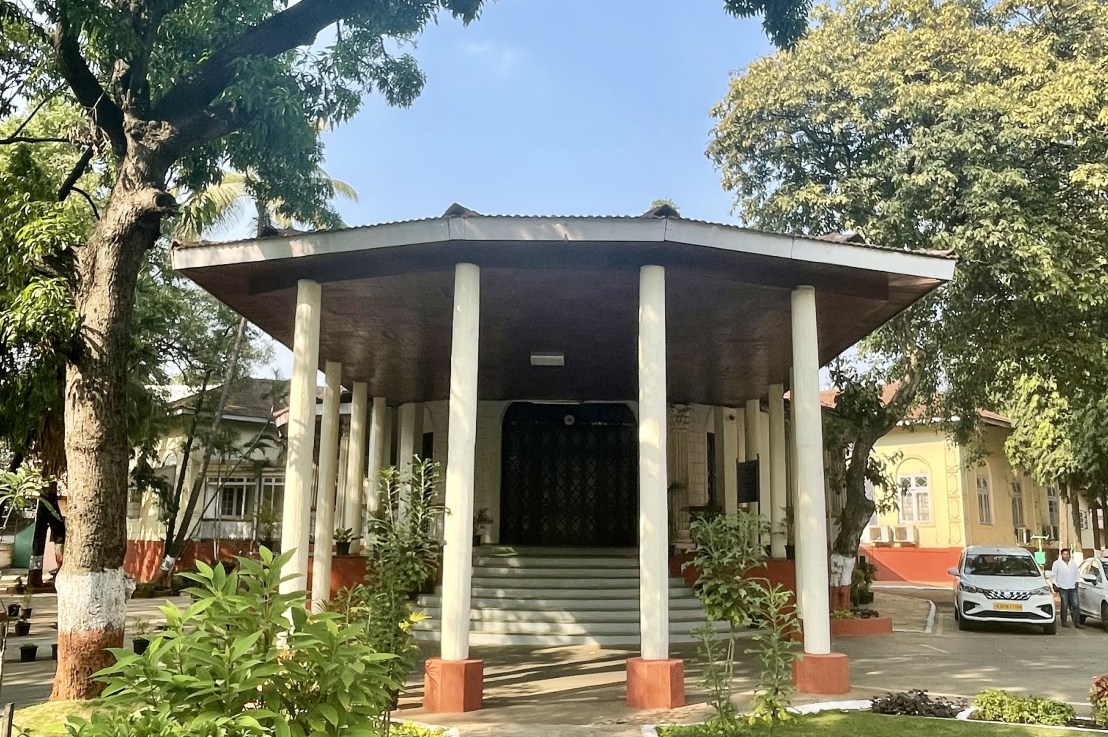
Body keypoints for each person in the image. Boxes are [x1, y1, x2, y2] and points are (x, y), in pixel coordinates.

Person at [1049, 548, 1082, 628]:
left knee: (1075, 604)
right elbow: (1053, 574)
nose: (1066, 556)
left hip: (1072, 586)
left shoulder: (1073, 563)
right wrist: (1055, 584)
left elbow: (1077, 574)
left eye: (1067, 554)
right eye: (1064, 554)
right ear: (1061, 555)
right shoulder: (1057, 563)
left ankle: (1077, 622)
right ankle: (1064, 622)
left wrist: (1077, 581)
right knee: (1065, 604)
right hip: (1062, 586)